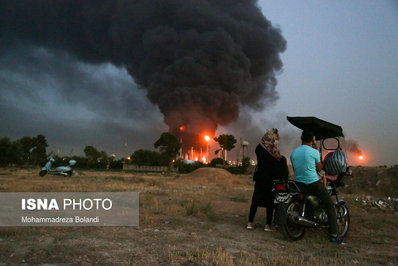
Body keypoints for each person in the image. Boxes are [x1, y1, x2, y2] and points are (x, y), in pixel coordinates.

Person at [290, 130, 346, 244]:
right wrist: (315, 150)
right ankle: (334, 235)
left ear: (301, 138)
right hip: (312, 184)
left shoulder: (294, 153)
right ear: (312, 140)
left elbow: (297, 168)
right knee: (329, 204)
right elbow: (319, 168)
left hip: (298, 184)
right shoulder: (313, 152)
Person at [247, 128, 289, 231]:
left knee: (255, 201)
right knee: (270, 202)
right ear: (272, 138)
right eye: (276, 138)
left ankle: (250, 223)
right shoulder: (273, 151)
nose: (277, 141)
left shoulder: (259, 148)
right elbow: (278, 161)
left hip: (260, 178)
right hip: (270, 179)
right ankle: (268, 225)